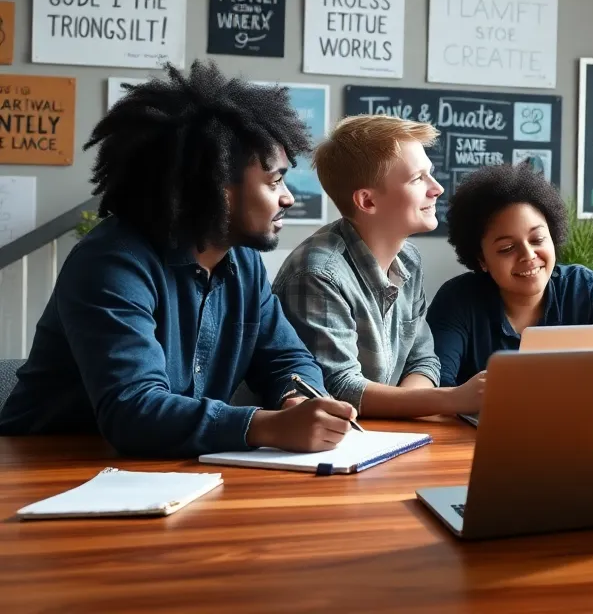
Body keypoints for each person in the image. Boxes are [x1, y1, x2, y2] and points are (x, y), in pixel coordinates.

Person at [0, 61, 357, 457]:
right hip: (46, 469)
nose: (288, 197)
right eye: (274, 181)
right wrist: (266, 426)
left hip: (163, 471)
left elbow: (287, 357)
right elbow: (132, 410)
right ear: (217, 186)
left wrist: (295, 398)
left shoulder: (244, 264)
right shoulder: (111, 263)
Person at [272, 115, 485, 419]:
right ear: (367, 201)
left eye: (431, 174)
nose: (436, 188)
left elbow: (422, 359)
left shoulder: (408, 259)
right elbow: (339, 389)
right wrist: (452, 399)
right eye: (417, 179)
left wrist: (408, 410)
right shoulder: (317, 273)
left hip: (380, 437)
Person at [428, 162, 593, 388]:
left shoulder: (584, 287)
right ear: (482, 260)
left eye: (537, 240)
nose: (528, 255)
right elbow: (438, 388)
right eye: (507, 248)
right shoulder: (457, 300)